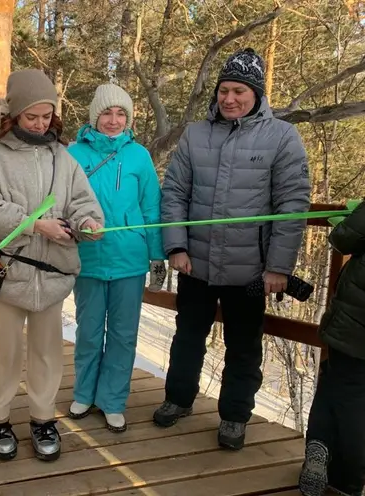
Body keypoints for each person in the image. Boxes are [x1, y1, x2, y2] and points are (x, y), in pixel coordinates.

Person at [157, 47, 311, 450]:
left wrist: (278, 267)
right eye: (224, 90)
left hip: (251, 271)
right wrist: (176, 246)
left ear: (257, 94)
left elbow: (292, 205)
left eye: (239, 91)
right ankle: (178, 399)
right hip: (197, 264)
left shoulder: (281, 136)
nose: (230, 99)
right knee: (188, 336)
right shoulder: (196, 134)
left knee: (244, 345)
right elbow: (174, 192)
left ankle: (234, 417)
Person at [0, 69, 104, 462]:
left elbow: (83, 202)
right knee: (5, 349)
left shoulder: (64, 156)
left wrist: (88, 224)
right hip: (10, 275)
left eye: (47, 116)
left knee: (47, 351)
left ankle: (44, 418)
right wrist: (33, 223)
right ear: (14, 114)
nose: (41, 123)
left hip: (54, 275)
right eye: (32, 116)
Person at [67, 83, 167, 432]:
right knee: (90, 330)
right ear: (95, 116)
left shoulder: (139, 156)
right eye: (107, 113)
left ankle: (112, 400)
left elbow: (152, 207)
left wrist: (157, 256)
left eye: (121, 113)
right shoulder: (73, 154)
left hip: (130, 259)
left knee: (123, 334)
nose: (114, 120)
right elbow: (62, 203)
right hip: (89, 257)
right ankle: (84, 392)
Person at [299, 200, 365, 496]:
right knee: (348, 389)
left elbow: (343, 239)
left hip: (354, 323)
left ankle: (335, 464)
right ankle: (343, 473)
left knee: (342, 389)